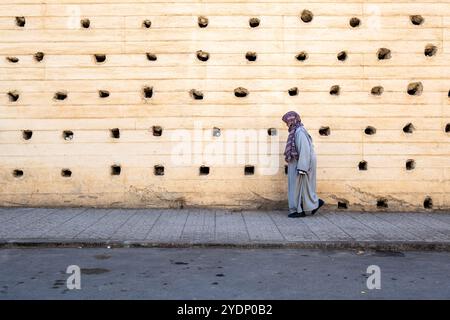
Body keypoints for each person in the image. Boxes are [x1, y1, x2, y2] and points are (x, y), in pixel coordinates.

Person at [282, 111, 324, 218]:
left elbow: (305, 150)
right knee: (301, 188)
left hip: (301, 164)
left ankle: (300, 209)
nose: (286, 124)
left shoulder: (299, 132)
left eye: (287, 121)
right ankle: (308, 206)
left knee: (298, 187)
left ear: (292, 120)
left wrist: (302, 168)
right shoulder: (295, 131)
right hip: (299, 163)